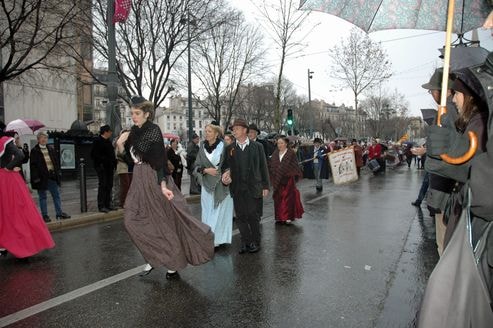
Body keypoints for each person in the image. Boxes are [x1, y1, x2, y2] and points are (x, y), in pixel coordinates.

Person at [122, 96, 214, 280]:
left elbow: (159, 160)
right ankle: (155, 255)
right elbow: (129, 159)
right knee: (131, 219)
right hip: (138, 179)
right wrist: (120, 144)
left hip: (154, 178)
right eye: (132, 113)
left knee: (163, 221)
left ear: (147, 114)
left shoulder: (153, 130)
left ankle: (172, 264)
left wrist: (163, 185)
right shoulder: (133, 131)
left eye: (137, 113)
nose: (134, 116)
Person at [426, 68, 488, 249]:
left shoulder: (475, 123)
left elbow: (475, 170)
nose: (453, 99)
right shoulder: (472, 121)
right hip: (456, 205)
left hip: (463, 210)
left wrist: (449, 149)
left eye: (457, 93)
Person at [0, 122, 55, 258]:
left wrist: (8, 167)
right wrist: (9, 167)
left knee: (8, 213)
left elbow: (19, 155)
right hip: (7, 178)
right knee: (13, 212)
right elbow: (19, 156)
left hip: (5, 179)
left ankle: (10, 244)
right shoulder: (5, 141)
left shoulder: (4, 140)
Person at [221, 118, 270, 254]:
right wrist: (225, 176)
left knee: (253, 216)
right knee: (241, 217)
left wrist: (265, 186)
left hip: (253, 187)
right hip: (237, 188)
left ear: (244, 130)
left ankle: (255, 241)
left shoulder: (257, 147)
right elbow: (225, 166)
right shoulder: (230, 148)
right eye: (233, 129)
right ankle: (245, 241)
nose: (234, 131)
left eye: (236, 129)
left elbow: (263, 167)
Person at [193, 123, 234, 247]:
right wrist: (206, 170)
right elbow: (196, 166)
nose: (206, 133)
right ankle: (209, 238)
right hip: (206, 184)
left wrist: (228, 173)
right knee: (207, 212)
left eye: (209, 131)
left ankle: (218, 240)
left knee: (220, 213)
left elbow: (230, 164)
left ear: (216, 134)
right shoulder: (201, 146)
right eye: (206, 131)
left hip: (221, 184)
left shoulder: (224, 146)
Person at [30, 132, 70, 222]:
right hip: (41, 178)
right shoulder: (34, 151)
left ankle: (59, 213)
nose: (44, 139)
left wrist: (58, 172)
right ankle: (45, 215)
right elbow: (33, 166)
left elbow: (56, 162)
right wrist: (36, 178)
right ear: (38, 140)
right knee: (43, 197)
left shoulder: (50, 149)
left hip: (52, 176)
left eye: (45, 137)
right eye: (41, 138)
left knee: (56, 195)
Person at [269, 135, 304, 224]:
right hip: (278, 179)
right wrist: (273, 175)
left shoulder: (291, 153)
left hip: (288, 180)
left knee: (287, 199)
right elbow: (272, 166)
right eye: (278, 143)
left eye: (281, 143)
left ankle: (288, 217)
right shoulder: (275, 154)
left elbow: (294, 166)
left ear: (286, 144)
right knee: (278, 198)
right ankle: (279, 217)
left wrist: (289, 174)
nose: (279, 145)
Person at [91, 125, 117, 213]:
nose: (111, 133)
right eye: (110, 131)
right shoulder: (97, 141)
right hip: (102, 167)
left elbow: (112, 154)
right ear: (105, 132)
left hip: (110, 167)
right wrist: (102, 162)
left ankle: (108, 204)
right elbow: (94, 155)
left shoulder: (108, 141)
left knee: (109, 185)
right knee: (103, 185)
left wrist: (114, 163)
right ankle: (101, 205)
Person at [115, 129, 133, 208]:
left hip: (128, 167)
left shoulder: (127, 144)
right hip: (122, 167)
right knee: (125, 185)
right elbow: (118, 155)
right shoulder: (119, 143)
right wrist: (128, 159)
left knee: (129, 185)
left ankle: (127, 202)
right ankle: (123, 203)